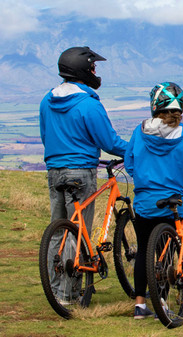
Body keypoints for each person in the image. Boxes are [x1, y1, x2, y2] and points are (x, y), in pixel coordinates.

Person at [39, 46, 128, 305]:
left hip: (54, 171)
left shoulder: (47, 100)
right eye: (93, 67)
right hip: (80, 171)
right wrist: (135, 150)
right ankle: (69, 295)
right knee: (78, 232)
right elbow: (109, 141)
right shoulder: (88, 104)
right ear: (83, 70)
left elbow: (46, 136)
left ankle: (56, 290)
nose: (95, 71)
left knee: (59, 231)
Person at [125, 81, 183, 319]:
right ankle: (163, 301)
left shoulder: (139, 131)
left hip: (144, 203)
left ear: (154, 106)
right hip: (176, 203)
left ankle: (140, 305)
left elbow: (130, 164)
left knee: (144, 250)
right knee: (168, 252)